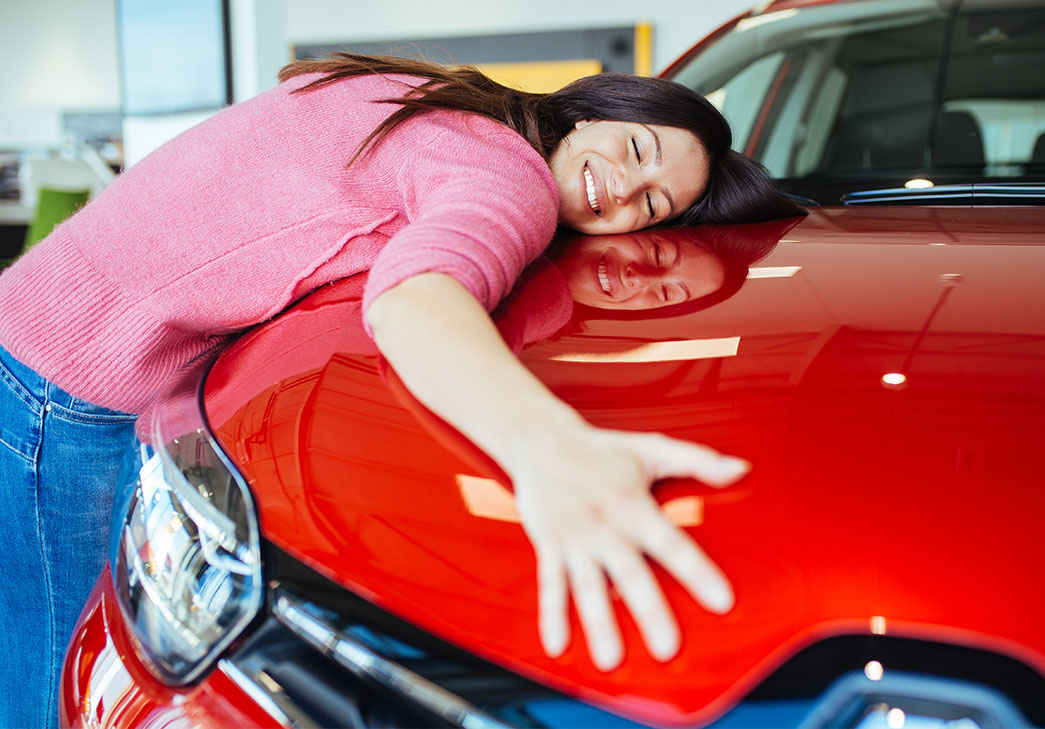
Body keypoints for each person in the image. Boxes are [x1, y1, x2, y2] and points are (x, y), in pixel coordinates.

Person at [0, 52, 803, 728]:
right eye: (634, 149)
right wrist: (553, 449)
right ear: (592, 112)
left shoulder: (427, 92)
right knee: (53, 693)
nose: (621, 191)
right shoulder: (505, 173)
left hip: (30, 336)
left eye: (650, 204)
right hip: (60, 392)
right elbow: (416, 294)